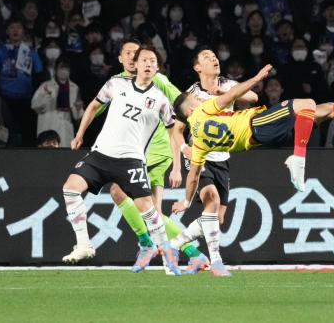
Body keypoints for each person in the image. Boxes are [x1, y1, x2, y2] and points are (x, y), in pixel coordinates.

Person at [172, 68, 334, 201]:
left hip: (258, 138)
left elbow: (193, 177)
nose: (201, 98)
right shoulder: (202, 111)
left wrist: (186, 201)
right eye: (196, 98)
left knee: (327, 109)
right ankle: (298, 159)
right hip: (258, 124)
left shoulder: (199, 142)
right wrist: (256, 79)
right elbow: (231, 94)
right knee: (307, 103)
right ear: (191, 109)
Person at [61, 46, 182, 273]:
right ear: (135, 65)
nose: (147, 64)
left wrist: (177, 166)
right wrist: (79, 134)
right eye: (143, 60)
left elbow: (174, 132)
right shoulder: (115, 85)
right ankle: (84, 244)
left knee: (148, 210)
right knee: (70, 188)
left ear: (158, 68)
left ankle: (167, 256)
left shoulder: (161, 100)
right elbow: (95, 105)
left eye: (152, 61)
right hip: (101, 154)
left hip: (131, 161)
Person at [173, 48, 259, 276]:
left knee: (216, 218)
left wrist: (227, 92)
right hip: (201, 157)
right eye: (207, 58)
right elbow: (177, 130)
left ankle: (174, 244)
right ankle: (216, 262)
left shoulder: (227, 84)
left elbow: (253, 98)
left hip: (223, 157)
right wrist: (184, 150)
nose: (214, 59)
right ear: (197, 67)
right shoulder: (192, 95)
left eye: (214, 56)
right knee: (211, 199)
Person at [32, 61, 83, 147]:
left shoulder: (74, 87)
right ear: (56, 70)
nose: (64, 71)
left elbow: (77, 115)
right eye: (61, 68)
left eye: (66, 69)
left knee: (64, 154)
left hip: (65, 125)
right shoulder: (46, 86)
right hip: (48, 124)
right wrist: (47, 96)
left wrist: (78, 109)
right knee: (46, 152)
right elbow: (35, 105)